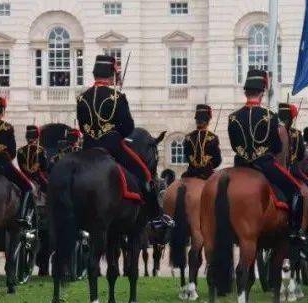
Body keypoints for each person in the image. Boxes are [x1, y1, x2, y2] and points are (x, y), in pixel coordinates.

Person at [76, 54, 171, 230]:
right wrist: (115, 132)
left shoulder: (82, 98)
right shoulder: (117, 97)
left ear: (95, 73)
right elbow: (128, 128)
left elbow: (82, 127)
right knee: (146, 175)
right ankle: (155, 217)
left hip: (87, 148)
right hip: (113, 148)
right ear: (111, 74)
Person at [227, 68, 305, 241]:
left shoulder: (233, 117)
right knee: (296, 190)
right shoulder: (270, 116)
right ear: (262, 93)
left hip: (240, 165)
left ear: (246, 92)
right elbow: (276, 147)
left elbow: (234, 145)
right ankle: (294, 231)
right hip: (265, 165)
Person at [0, 96, 35, 228]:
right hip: (4, 166)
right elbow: (12, 153)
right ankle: (23, 217)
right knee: (28, 187)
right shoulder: (8, 127)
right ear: (2, 110)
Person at [278, 102, 308, 197]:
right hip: (293, 170)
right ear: (290, 119)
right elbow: (300, 156)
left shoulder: (273, 130)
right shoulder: (297, 134)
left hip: (273, 168)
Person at [181, 104, 222, 180]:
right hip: (207, 174)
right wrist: (208, 166)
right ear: (208, 121)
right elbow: (217, 160)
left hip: (191, 172)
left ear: (196, 121)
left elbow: (187, 156)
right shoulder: (213, 137)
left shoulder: (188, 137)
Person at [16, 124, 50, 192]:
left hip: (23, 177)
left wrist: (27, 170)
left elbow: (20, 165)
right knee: (49, 188)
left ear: (27, 137)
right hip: (37, 176)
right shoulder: (41, 150)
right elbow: (45, 167)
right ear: (36, 137)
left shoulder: (20, 150)